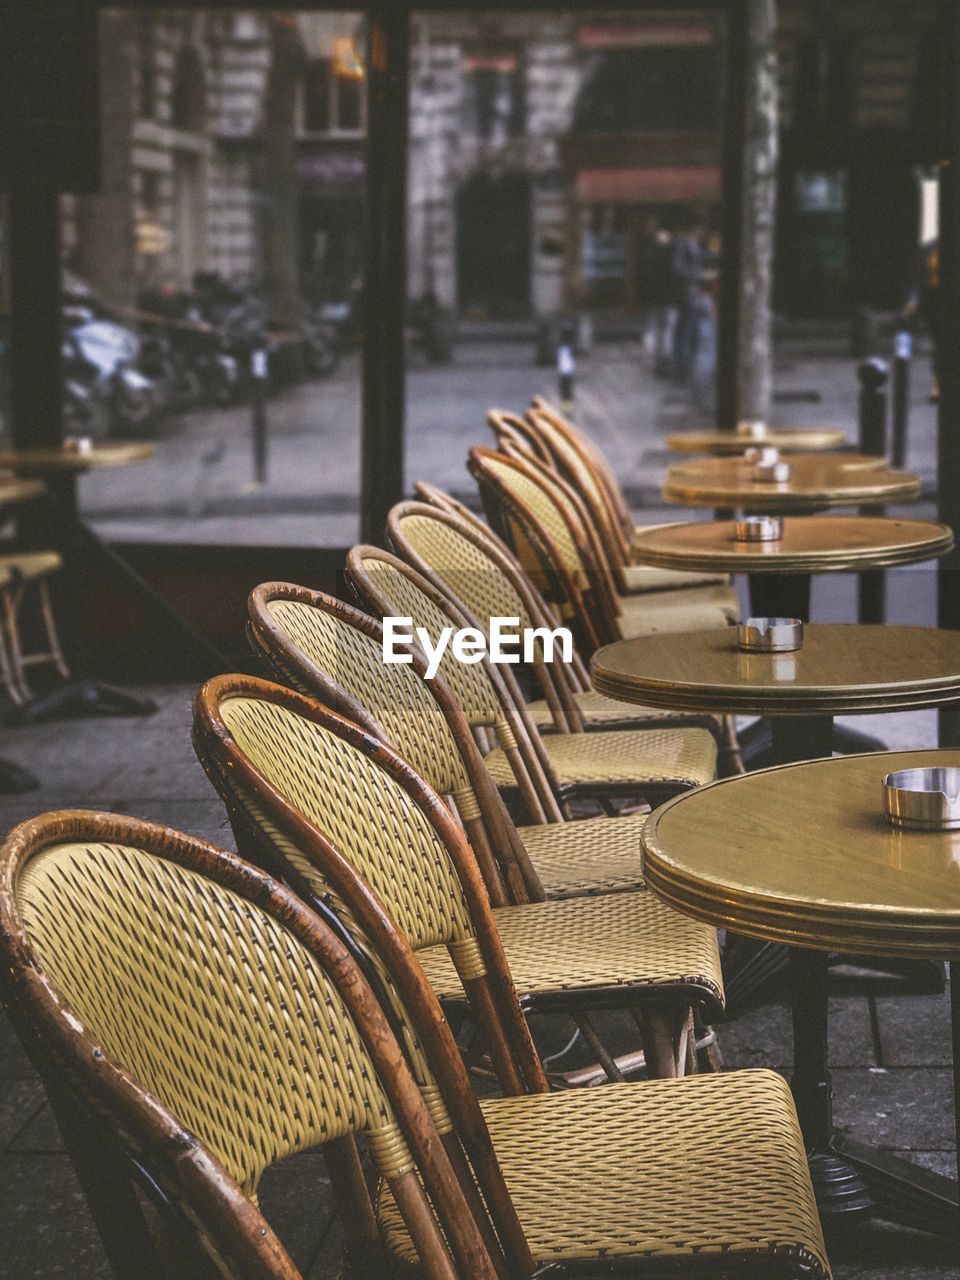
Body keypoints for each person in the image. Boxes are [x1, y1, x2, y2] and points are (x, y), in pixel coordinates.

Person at [633, 216, 675, 375]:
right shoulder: (661, 250)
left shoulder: (648, 249)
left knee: (658, 329)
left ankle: (658, 362)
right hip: (663, 295)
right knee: (663, 329)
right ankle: (661, 363)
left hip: (656, 295)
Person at [669, 209, 706, 383]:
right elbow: (677, 268)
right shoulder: (682, 244)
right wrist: (696, 276)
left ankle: (687, 365)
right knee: (686, 328)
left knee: (692, 329)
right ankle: (681, 368)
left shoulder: (692, 243)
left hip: (693, 291)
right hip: (686, 292)